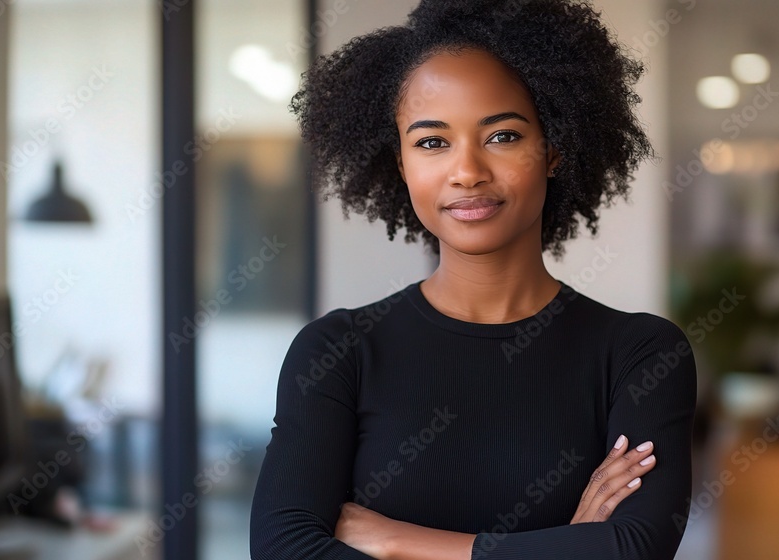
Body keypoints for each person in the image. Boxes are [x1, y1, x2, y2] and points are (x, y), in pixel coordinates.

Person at [250, 1, 697, 558]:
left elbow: (632, 548)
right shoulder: (339, 351)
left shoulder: (640, 354)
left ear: (553, 148)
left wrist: (397, 542)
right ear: (400, 164)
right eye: (432, 142)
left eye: (503, 135)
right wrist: (566, 546)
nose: (467, 171)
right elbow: (283, 548)